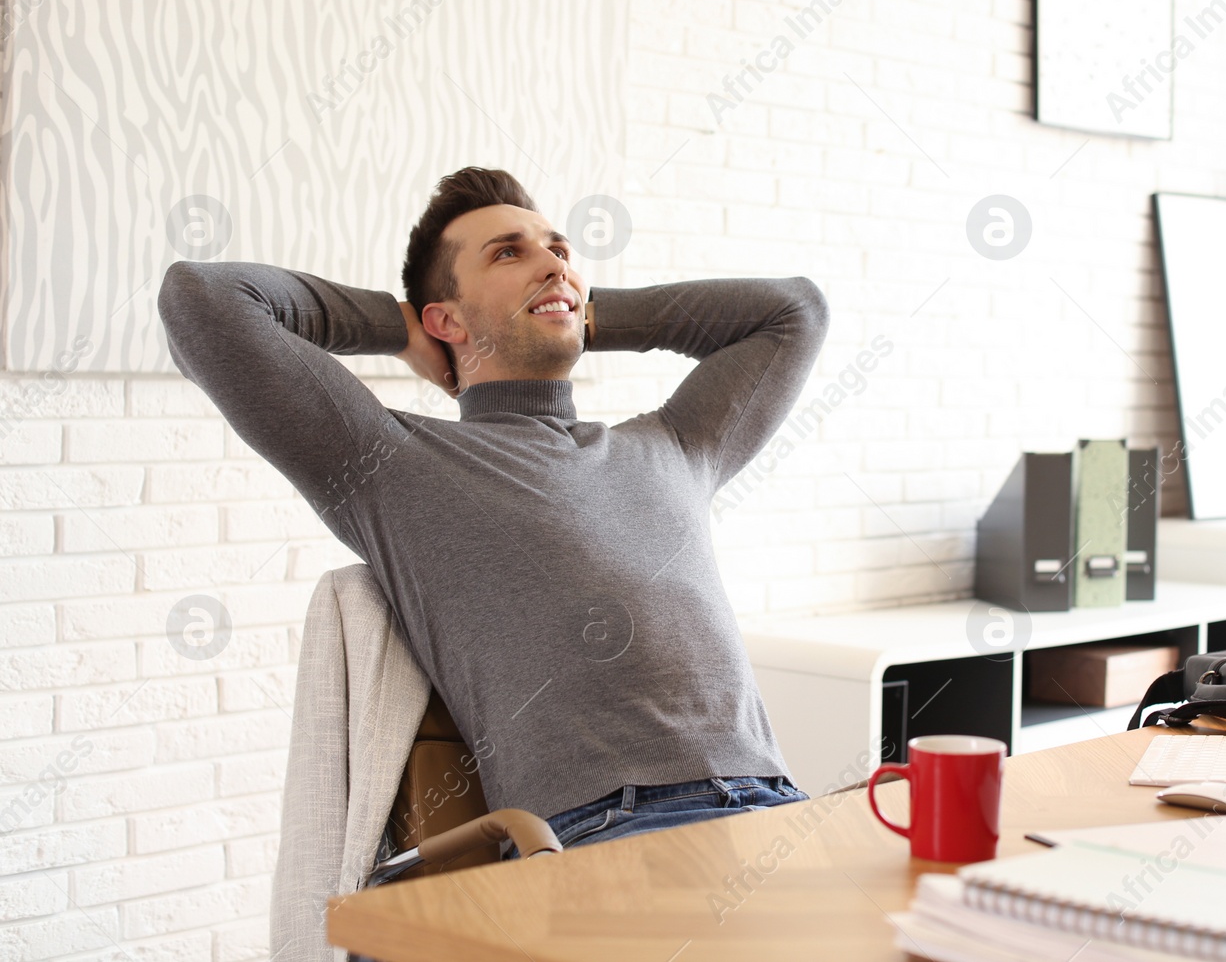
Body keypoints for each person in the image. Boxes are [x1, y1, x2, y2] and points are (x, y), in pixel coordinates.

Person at [157, 166, 829, 850]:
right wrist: (400, 326)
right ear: (444, 317)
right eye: (509, 252)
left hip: (779, 809)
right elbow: (202, 300)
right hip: (606, 833)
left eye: (559, 250)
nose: (552, 263)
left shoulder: (676, 442)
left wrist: (587, 311)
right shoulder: (391, 462)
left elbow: (796, 311)